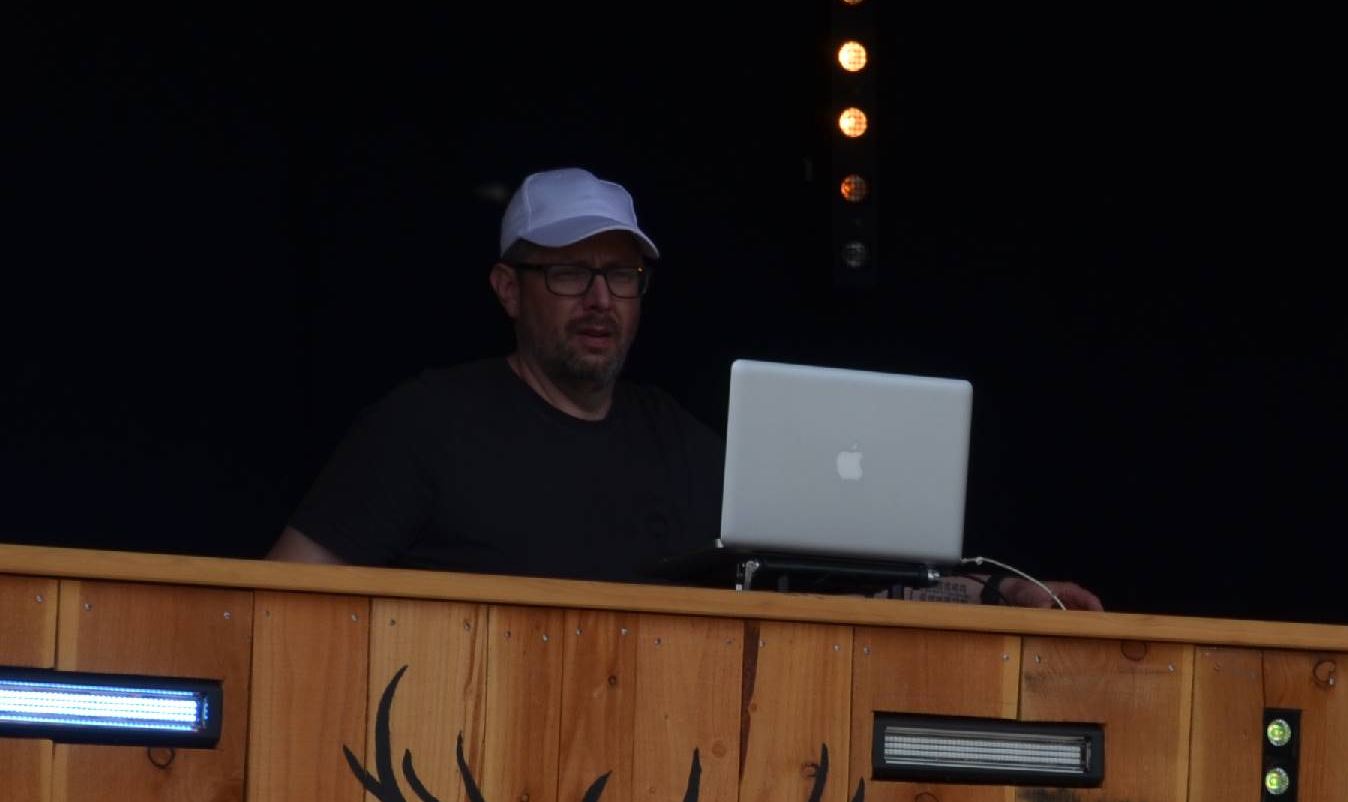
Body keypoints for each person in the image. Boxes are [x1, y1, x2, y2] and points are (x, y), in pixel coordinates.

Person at [271, 166, 1097, 606]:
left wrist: (996, 593)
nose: (601, 299)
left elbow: (832, 580)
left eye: (623, 275)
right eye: (570, 273)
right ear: (507, 290)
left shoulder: (676, 439)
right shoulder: (425, 425)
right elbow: (280, 601)